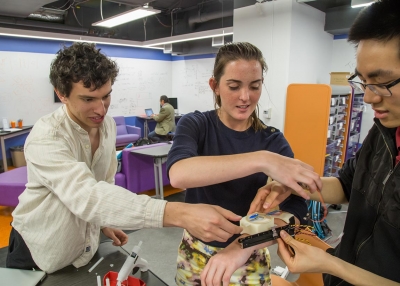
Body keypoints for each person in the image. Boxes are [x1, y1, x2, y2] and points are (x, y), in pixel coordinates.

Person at [6, 42, 245, 274]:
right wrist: (180, 213)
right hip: (38, 250)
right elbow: (85, 195)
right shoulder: (47, 136)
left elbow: (103, 183)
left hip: (82, 247)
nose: (101, 109)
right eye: (88, 99)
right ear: (61, 94)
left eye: (106, 96)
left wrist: (104, 222)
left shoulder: (106, 126)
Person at [250, 1, 400, 285]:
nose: (368, 98)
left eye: (382, 83)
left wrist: (330, 263)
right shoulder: (383, 131)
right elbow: (345, 186)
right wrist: (294, 185)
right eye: (363, 81)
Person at [166, 42, 322, 286]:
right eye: (234, 86)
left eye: (255, 86)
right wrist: (262, 160)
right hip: (194, 252)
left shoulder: (271, 139)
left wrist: (244, 246)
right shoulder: (196, 124)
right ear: (215, 86)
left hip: (249, 251)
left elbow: (297, 207)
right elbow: (179, 173)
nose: (245, 97)